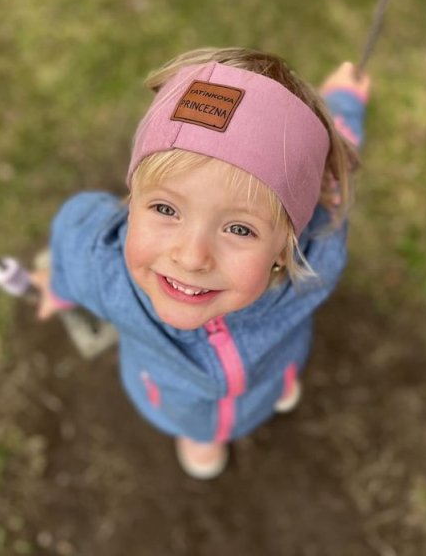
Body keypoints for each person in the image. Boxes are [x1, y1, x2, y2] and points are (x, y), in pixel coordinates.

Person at [31, 47, 370, 479]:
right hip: (174, 400)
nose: (191, 257)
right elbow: (73, 236)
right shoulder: (102, 268)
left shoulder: (320, 253)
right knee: (197, 424)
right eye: (165, 209)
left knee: (275, 382)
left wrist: (345, 101)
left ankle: (279, 387)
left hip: (272, 371)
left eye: (239, 229)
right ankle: (200, 437)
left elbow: (336, 156)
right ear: (132, 201)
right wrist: (59, 284)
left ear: (287, 246)